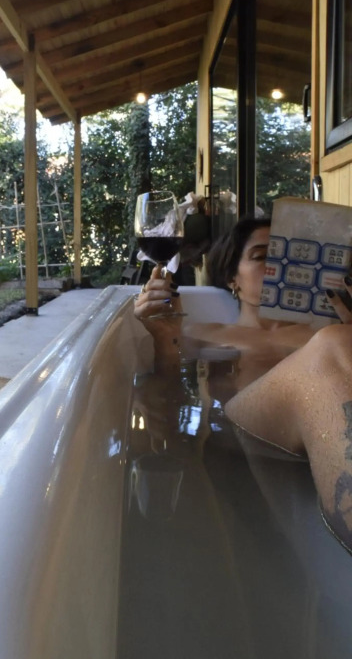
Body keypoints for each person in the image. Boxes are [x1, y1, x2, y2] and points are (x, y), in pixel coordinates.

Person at [133, 215, 352, 553]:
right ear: (231, 277)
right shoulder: (203, 334)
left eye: (292, 256)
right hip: (247, 436)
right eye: (262, 255)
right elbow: (168, 401)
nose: (280, 266)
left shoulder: (336, 332)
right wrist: (165, 339)